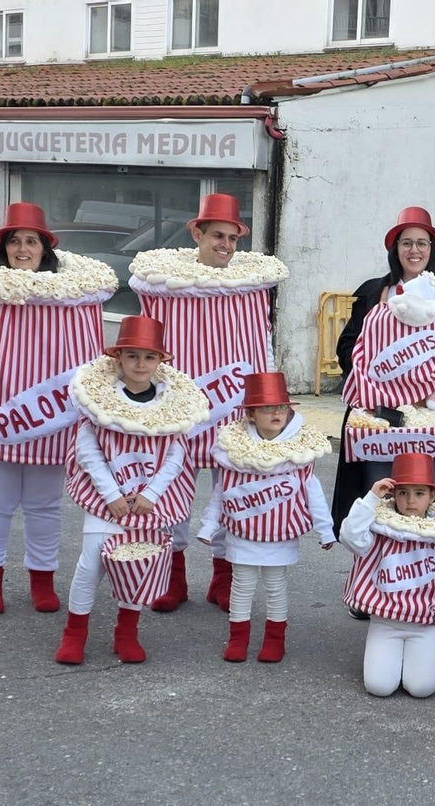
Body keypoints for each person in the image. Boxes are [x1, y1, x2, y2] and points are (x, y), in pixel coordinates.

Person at [0, 202, 115, 615]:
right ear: (3, 248)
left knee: (44, 505)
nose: (22, 249)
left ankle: (42, 578)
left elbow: (85, 355)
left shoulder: (71, 298)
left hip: (51, 417)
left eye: (31, 241)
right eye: (14, 241)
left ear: (46, 249)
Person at [130, 193, 289, 612]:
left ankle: (224, 576)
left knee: (233, 493)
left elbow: (263, 345)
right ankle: (172, 576)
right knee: (170, 491)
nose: (226, 244)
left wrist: (270, 400)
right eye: (218, 235)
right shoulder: (164, 284)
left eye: (233, 238)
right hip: (179, 407)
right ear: (197, 233)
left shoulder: (251, 287)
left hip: (234, 407)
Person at [56, 316, 209, 665]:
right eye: (133, 356)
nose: (141, 364)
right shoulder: (98, 400)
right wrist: (110, 494)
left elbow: (176, 456)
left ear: (161, 361)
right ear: (118, 358)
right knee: (90, 564)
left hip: (148, 503)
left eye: (150, 357)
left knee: (136, 564)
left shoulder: (172, 404)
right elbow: (88, 451)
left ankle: (126, 633)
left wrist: (151, 494)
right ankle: (74, 634)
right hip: (105, 501)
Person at [332, 207, 435, 546]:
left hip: (432, 419)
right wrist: (369, 375)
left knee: (425, 500)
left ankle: (421, 570)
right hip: (380, 418)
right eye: (406, 243)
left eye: (422, 243)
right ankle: (380, 568)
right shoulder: (373, 293)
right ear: (395, 249)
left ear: (433, 249)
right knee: (380, 495)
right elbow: (347, 346)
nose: (414, 250)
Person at [198, 371, 336, 663]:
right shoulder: (234, 452)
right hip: (242, 533)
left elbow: (314, 494)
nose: (276, 413)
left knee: (275, 587)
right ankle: (238, 639)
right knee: (241, 586)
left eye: (281, 407)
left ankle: (275, 640)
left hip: (280, 535)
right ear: (250, 414)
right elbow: (221, 493)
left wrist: (326, 531)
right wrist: (208, 527)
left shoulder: (300, 453)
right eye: (267, 408)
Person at [338, 453, 435, 698]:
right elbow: (349, 537)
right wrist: (371, 498)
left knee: (422, 688)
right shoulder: (380, 529)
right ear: (393, 494)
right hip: (384, 622)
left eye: (419, 493)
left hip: (424, 625)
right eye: (403, 492)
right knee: (379, 686)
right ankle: (391, 661)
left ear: (433, 496)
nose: (411, 500)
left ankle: (409, 662)